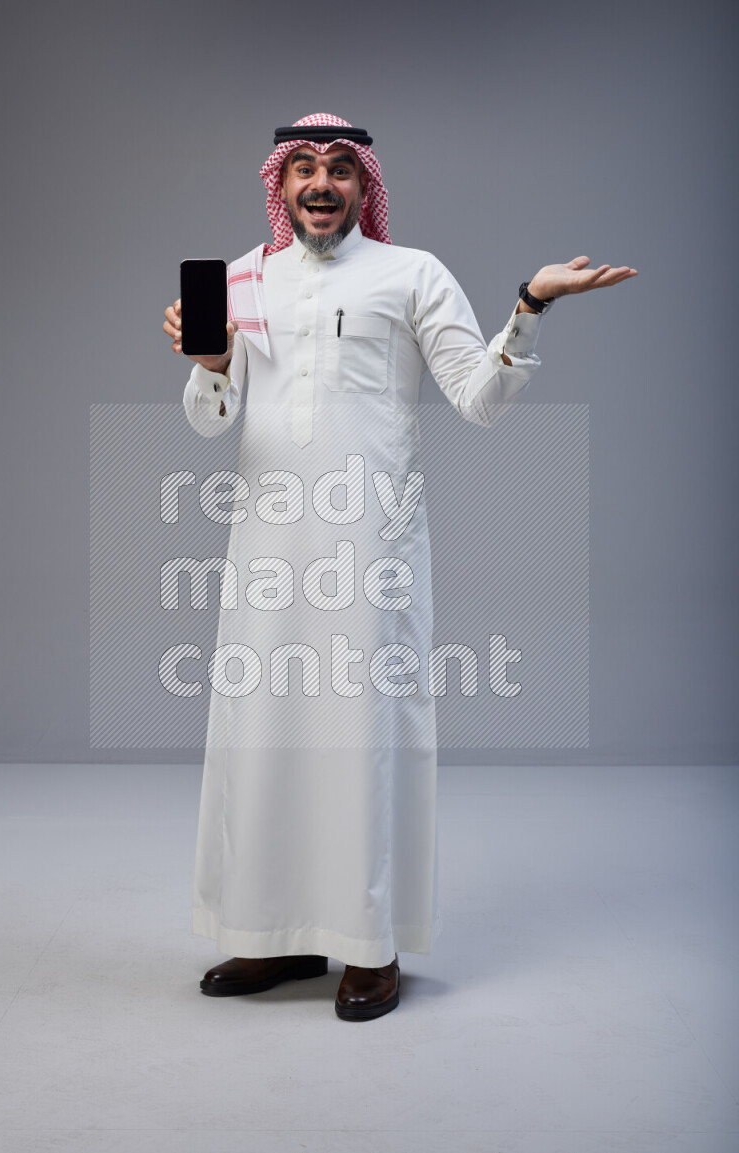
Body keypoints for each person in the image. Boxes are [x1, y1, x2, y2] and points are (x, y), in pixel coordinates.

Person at [163, 113, 636, 1021]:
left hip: (372, 552)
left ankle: (367, 947)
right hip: (267, 550)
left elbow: (480, 398)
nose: (320, 184)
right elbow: (210, 424)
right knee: (263, 735)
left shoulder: (412, 274)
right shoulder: (241, 279)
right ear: (281, 182)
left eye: (339, 168)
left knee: (361, 738)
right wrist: (213, 362)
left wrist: (528, 309)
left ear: (363, 184)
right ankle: (271, 933)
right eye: (302, 168)